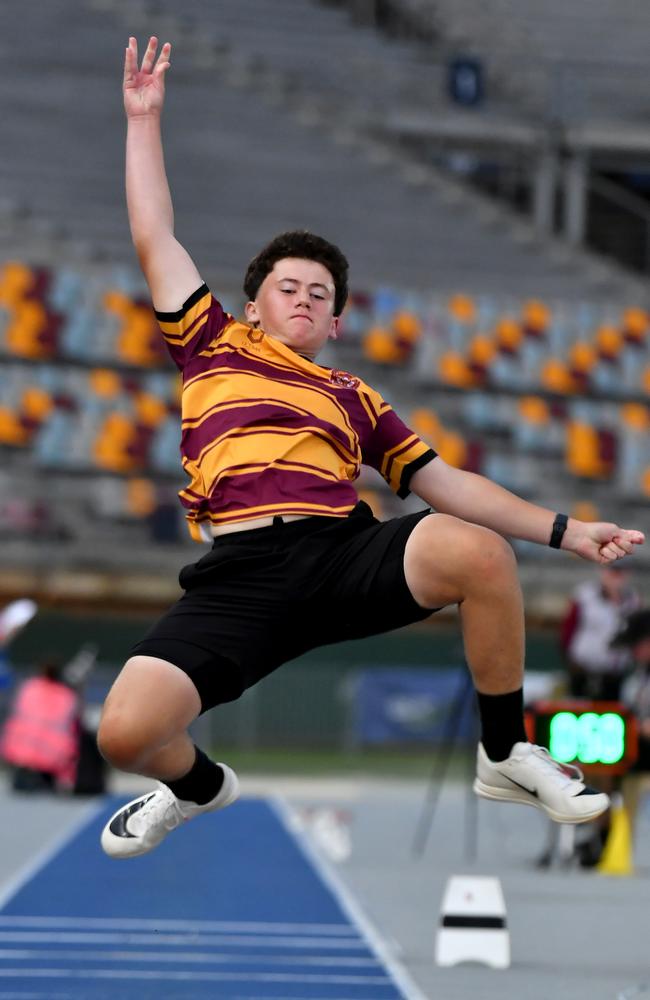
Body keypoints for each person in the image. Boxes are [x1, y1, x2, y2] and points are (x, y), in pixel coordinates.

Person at [97, 36, 645, 859]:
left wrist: (568, 531)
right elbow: (154, 235)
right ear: (253, 307)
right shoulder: (211, 342)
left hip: (338, 555)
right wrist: (143, 122)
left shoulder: (354, 398)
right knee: (122, 734)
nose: (306, 301)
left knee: (481, 553)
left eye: (321, 295)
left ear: (338, 321)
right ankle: (198, 787)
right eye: (289, 288)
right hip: (239, 578)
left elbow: (445, 482)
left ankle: (502, 753)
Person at [560, 564, 640, 700]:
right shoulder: (585, 595)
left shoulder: (632, 601)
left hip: (613, 673)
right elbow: (569, 628)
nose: (615, 577)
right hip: (582, 669)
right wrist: (569, 657)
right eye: (612, 572)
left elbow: (634, 635)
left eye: (620, 573)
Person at [0, 660, 80, 792]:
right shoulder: (67, 696)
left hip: (24, 759)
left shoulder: (29, 689)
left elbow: (16, 720)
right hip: (52, 761)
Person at [612, 609, 650, 841]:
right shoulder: (636, 674)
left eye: (637, 646)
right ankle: (606, 836)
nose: (633, 652)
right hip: (635, 757)